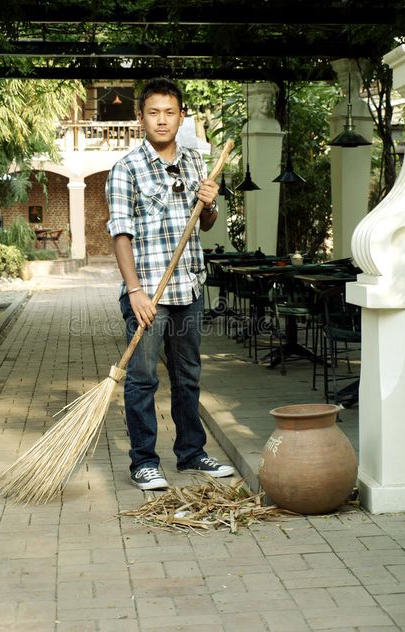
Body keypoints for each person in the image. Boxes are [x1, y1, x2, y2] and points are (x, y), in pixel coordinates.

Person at [106, 77, 234, 490]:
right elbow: (120, 234)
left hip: (189, 287)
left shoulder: (196, 162)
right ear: (140, 117)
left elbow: (206, 223)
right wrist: (135, 291)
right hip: (149, 295)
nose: (162, 120)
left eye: (170, 112)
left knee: (188, 376)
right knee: (143, 379)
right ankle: (144, 461)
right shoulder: (125, 169)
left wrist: (210, 202)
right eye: (153, 112)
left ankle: (191, 453)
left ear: (181, 116)